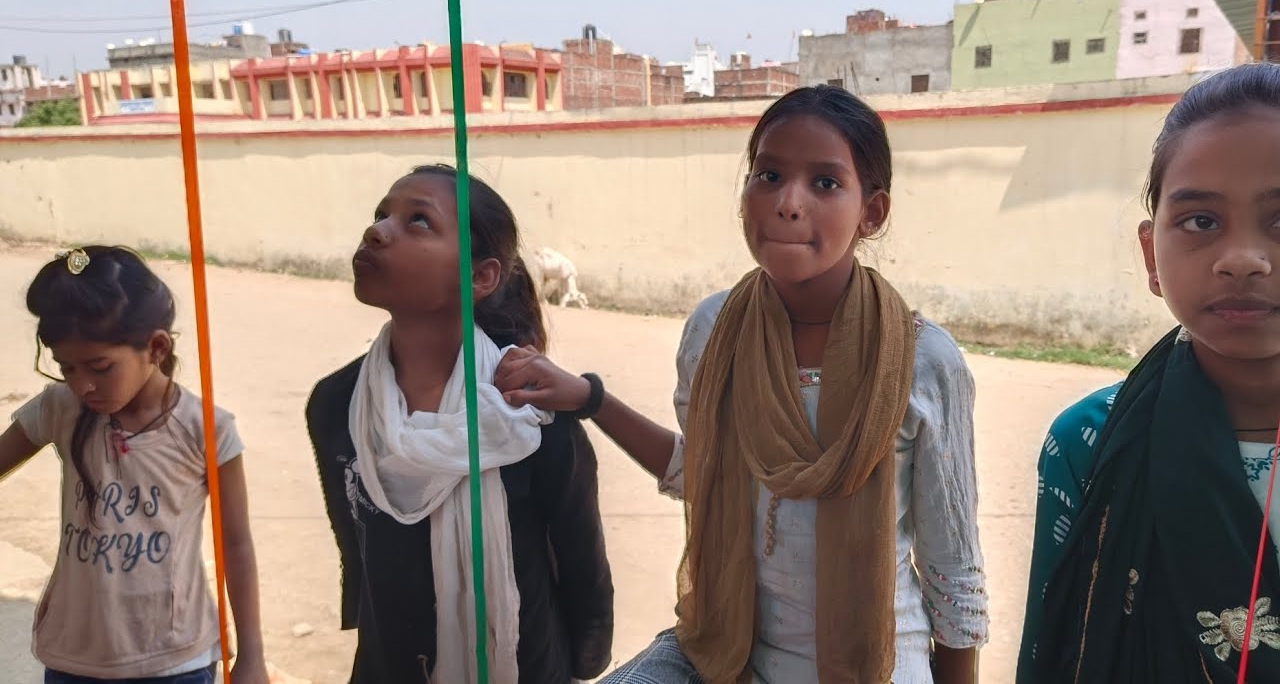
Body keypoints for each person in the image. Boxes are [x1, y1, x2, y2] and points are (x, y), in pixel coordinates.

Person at [496, 86, 988, 684]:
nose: (787, 203)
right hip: (729, 649)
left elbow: (953, 570)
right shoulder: (714, 331)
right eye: (769, 175)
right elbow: (703, 476)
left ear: (872, 212)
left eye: (825, 183)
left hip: (878, 663)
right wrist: (590, 399)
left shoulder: (922, 361)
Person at [1020, 63, 1280, 682]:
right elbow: (1050, 651)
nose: (1243, 259)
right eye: (1201, 221)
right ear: (1150, 255)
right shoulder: (1088, 441)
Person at [305, 165, 614, 684]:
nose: (377, 230)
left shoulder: (527, 410)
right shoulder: (337, 403)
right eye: (381, 214)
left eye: (418, 221)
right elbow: (358, 552)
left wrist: (583, 662)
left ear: (480, 277)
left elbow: (582, 567)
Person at [0, 245, 267, 684]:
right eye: (66, 368)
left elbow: (235, 544)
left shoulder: (206, 429)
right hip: (74, 659)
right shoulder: (60, 409)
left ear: (156, 347)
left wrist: (252, 657)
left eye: (100, 367)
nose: (83, 385)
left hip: (175, 661)